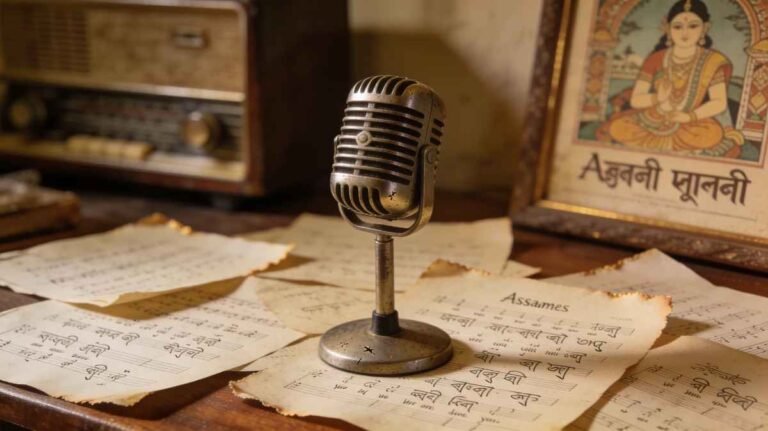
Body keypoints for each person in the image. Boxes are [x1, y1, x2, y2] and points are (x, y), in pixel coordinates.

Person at [597, 0, 743, 156]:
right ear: (667, 28)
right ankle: (676, 149)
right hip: (652, 119)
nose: (685, 33)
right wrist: (657, 98)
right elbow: (636, 100)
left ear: (705, 28)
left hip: (690, 122)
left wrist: (689, 117)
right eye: (677, 26)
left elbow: (719, 102)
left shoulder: (713, 61)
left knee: (711, 133)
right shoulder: (655, 59)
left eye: (693, 26)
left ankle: (658, 147)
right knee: (619, 127)